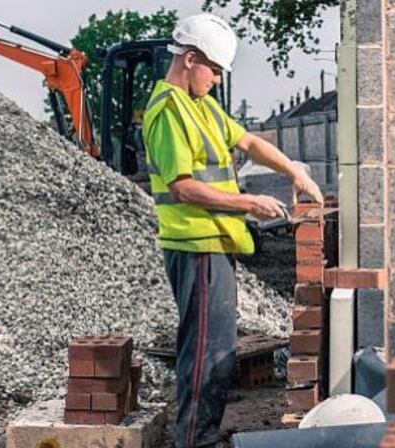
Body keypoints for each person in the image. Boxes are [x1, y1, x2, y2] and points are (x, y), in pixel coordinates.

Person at [141, 13, 323, 448]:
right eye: (215, 69)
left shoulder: (200, 106)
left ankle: (201, 435)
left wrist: (294, 171)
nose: (218, 80)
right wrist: (249, 202)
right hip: (195, 246)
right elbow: (183, 189)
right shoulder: (168, 111)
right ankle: (194, 440)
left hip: (215, 244)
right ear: (189, 59)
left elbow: (249, 142)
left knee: (217, 352)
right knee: (206, 353)